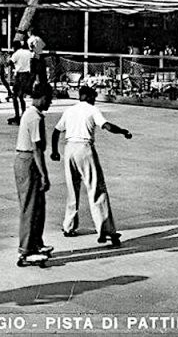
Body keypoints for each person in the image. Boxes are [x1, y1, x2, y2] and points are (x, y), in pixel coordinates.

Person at [50, 86, 132, 247]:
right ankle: (106, 230)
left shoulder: (70, 110)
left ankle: (69, 226)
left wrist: (54, 151)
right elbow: (106, 126)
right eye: (93, 96)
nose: (94, 99)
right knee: (96, 188)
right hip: (84, 148)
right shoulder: (92, 110)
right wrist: (123, 131)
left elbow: (56, 130)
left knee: (72, 189)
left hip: (69, 149)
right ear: (88, 96)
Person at [13, 84, 54, 267]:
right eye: (49, 99)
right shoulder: (34, 118)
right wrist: (44, 175)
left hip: (27, 160)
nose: (50, 103)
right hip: (29, 160)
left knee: (38, 205)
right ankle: (26, 249)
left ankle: (36, 242)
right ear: (42, 97)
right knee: (30, 206)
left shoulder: (32, 114)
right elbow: (37, 149)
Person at [9, 40, 33, 126]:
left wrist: (15, 68)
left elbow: (10, 62)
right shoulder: (28, 52)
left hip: (19, 74)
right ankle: (23, 113)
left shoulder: (16, 54)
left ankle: (17, 115)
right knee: (21, 96)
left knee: (15, 96)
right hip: (27, 74)